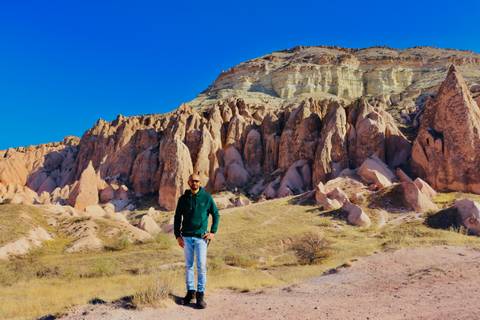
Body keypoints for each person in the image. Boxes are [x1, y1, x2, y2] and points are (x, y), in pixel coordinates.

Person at [174, 173, 220, 309]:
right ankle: (190, 293)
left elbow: (216, 214)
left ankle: (200, 296)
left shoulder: (206, 198)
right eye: (192, 181)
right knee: (189, 266)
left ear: (200, 183)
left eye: (197, 181)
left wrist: (213, 232)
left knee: (201, 266)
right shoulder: (183, 199)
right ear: (188, 183)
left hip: (201, 238)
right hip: (186, 238)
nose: (195, 183)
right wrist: (177, 235)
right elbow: (177, 218)